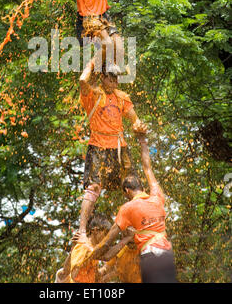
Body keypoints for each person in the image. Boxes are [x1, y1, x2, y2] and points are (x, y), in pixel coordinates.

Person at [75, 58, 147, 244]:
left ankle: (139, 226)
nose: (114, 82)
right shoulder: (92, 95)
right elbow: (83, 80)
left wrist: (139, 125)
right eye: (110, 78)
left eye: (116, 79)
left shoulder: (121, 97)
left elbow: (134, 119)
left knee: (133, 185)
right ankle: (82, 230)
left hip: (119, 147)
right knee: (94, 187)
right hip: (98, 145)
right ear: (102, 77)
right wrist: (95, 60)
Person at [88, 135, 178, 283]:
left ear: (127, 191)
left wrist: (89, 255)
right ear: (141, 187)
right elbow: (147, 167)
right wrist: (143, 141)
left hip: (150, 254)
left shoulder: (128, 208)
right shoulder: (157, 196)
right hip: (166, 253)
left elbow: (106, 242)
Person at [55, 214, 133, 283]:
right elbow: (106, 256)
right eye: (106, 234)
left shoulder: (92, 250)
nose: (107, 239)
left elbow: (96, 277)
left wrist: (114, 272)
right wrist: (127, 238)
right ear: (95, 230)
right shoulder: (83, 246)